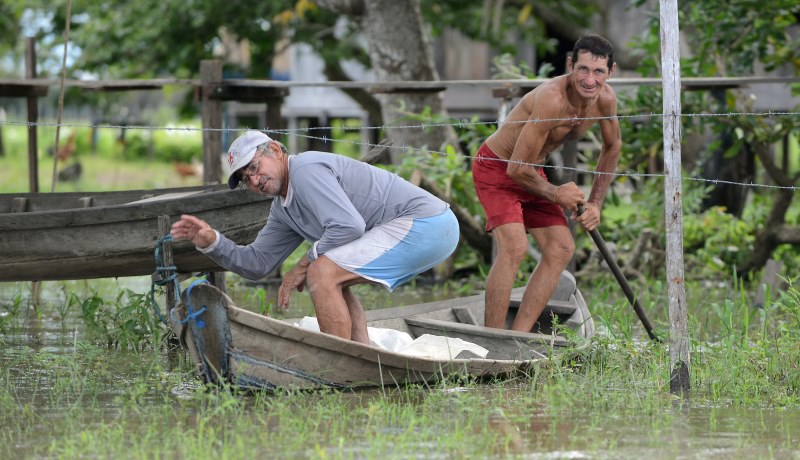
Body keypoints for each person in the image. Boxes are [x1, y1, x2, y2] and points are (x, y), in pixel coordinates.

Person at [171, 130, 459, 344]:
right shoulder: (283, 208)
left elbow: (348, 226)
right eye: (246, 179)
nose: (255, 181)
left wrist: (302, 266)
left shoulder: (305, 169)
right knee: (334, 278)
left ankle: (337, 363)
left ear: (274, 149)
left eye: (255, 167)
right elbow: (257, 264)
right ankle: (361, 356)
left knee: (322, 272)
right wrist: (212, 242)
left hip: (427, 223)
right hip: (426, 228)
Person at [472, 33, 621, 331]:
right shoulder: (552, 99)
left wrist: (595, 203)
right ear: (570, 64)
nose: (590, 80)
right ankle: (492, 338)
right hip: (498, 168)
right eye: (583, 69)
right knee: (515, 247)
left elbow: (612, 146)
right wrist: (556, 194)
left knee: (561, 248)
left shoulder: (605, 100)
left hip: (532, 173)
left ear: (610, 72)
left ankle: (518, 338)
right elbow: (515, 168)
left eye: (598, 72)